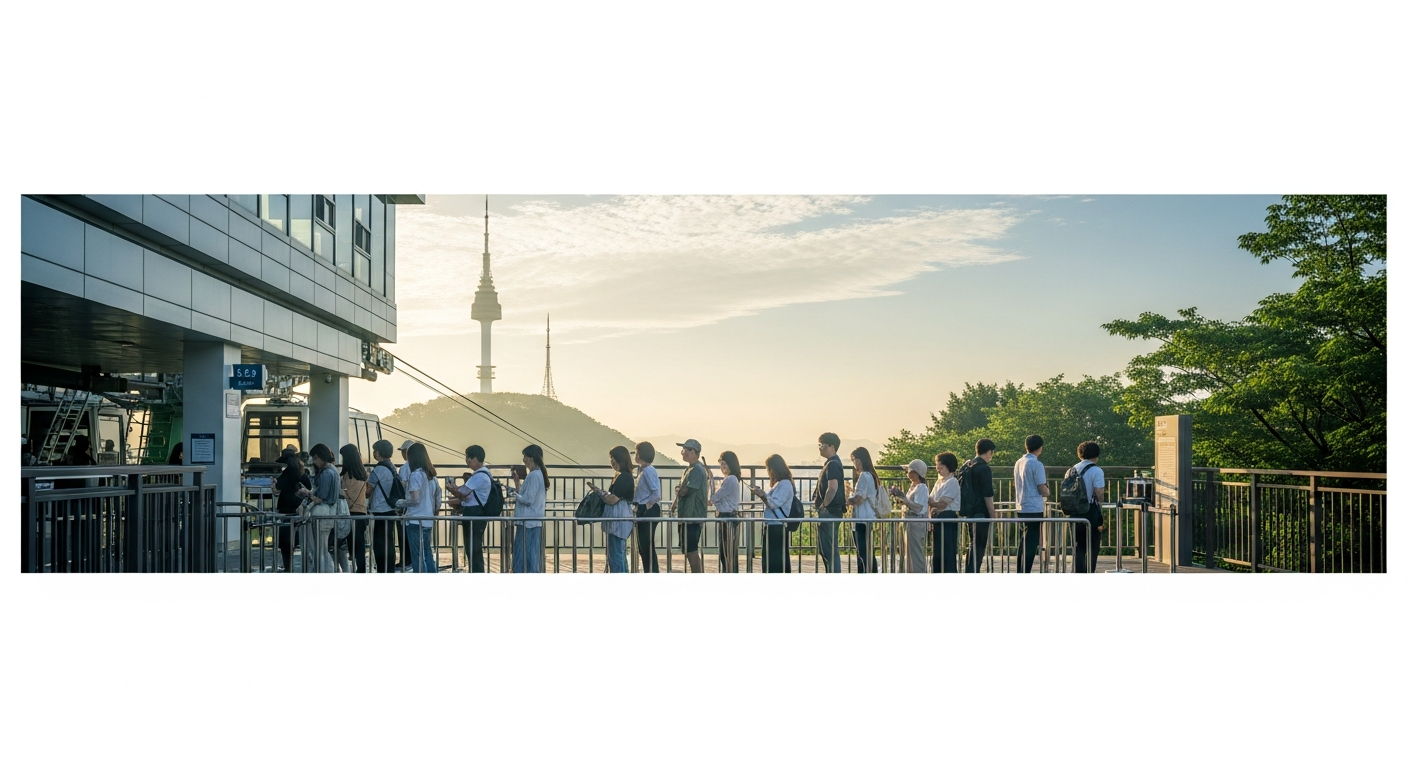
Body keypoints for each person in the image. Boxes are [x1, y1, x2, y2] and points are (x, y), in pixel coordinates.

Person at [395, 442, 440, 573]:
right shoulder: (432, 476)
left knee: (417, 556)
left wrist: (400, 503)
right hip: (428, 520)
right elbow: (438, 498)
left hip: (415, 520)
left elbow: (415, 500)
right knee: (427, 554)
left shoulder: (415, 475)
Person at [446, 445, 492, 573]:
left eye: (469, 458)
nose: (467, 461)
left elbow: (463, 493)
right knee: (473, 547)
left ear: (476, 459)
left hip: (474, 516)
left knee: (473, 548)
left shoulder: (479, 476)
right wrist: (455, 491)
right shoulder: (482, 474)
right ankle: (476, 571)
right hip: (476, 514)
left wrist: (452, 489)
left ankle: (477, 573)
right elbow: (466, 493)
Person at [295, 443, 340, 573]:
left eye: (315, 458)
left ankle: (323, 572)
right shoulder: (333, 470)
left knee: (318, 548)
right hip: (329, 512)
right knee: (322, 547)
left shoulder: (326, 473)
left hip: (322, 512)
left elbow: (321, 496)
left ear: (320, 457)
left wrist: (307, 493)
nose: (314, 461)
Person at [746, 454, 794, 573]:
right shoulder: (780, 484)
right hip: (772, 525)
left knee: (775, 561)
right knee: (770, 560)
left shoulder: (785, 484)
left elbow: (774, 503)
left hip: (777, 526)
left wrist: (762, 494)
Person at [591, 446, 636, 573]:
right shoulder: (621, 475)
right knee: (618, 555)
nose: (612, 461)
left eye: (613, 458)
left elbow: (613, 499)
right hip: (618, 520)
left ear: (620, 459)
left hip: (618, 520)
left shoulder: (624, 477)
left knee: (616, 557)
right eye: (611, 458)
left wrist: (600, 493)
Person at [959, 439, 997, 573]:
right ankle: (973, 572)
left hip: (969, 510)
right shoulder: (984, 468)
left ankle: (969, 570)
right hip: (981, 511)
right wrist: (992, 512)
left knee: (972, 543)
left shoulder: (968, 466)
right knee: (979, 544)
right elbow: (987, 493)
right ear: (990, 451)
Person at [1069, 441, 1107, 573]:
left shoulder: (1071, 469)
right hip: (1089, 511)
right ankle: (1089, 573)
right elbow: (1099, 492)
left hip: (1073, 511)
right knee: (1092, 545)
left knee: (1079, 546)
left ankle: (1079, 573)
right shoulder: (1096, 470)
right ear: (1096, 455)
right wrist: (1100, 505)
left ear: (1080, 454)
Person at [510, 444, 548, 573]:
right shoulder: (537, 474)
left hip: (528, 522)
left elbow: (528, 499)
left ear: (531, 458)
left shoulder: (533, 475)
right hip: (531, 521)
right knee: (531, 555)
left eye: (525, 456)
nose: (524, 459)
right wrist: (517, 484)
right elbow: (527, 496)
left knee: (524, 556)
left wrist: (513, 494)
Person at [1014, 434, 1049, 573]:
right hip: (1034, 506)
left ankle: (1020, 569)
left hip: (1021, 505)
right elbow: (1041, 487)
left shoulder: (1019, 462)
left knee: (1023, 541)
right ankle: (1026, 571)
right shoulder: (1037, 464)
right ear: (1040, 448)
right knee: (1032, 542)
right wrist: (1047, 492)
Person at [844, 446, 882, 573]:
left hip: (863, 519)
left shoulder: (864, 476)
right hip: (868, 517)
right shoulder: (871, 475)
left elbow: (859, 499)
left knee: (863, 553)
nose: (853, 463)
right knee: (867, 551)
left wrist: (848, 500)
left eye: (853, 460)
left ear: (859, 460)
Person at [366, 439, 401, 573]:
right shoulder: (391, 467)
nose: (374, 453)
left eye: (375, 450)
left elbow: (369, 490)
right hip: (391, 508)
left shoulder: (379, 469)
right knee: (389, 541)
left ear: (379, 453)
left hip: (380, 509)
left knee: (379, 543)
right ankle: (389, 568)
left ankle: (382, 568)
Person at [674, 439, 708, 573]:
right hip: (686, 516)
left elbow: (684, 491)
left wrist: (679, 490)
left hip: (693, 516)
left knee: (691, 550)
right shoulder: (689, 469)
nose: (682, 453)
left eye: (684, 450)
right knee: (688, 550)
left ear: (693, 451)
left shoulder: (697, 470)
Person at [813, 433, 846, 573]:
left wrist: (824, 506)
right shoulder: (832, 463)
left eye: (822, 445)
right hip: (832, 512)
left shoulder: (832, 465)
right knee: (829, 550)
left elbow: (832, 488)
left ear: (831, 446)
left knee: (829, 551)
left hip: (830, 513)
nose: (819, 448)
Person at [890, 459, 930, 573]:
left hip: (916, 522)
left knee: (915, 554)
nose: (908, 473)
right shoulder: (913, 486)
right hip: (909, 522)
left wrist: (903, 498)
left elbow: (919, 508)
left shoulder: (921, 487)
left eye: (911, 471)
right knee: (909, 554)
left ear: (918, 473)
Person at [273, 448, 309, 572]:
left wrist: (273, 483)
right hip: (300, 508)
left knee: (285, 541)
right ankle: (306, 567)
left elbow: (277, 489)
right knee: (303, 540)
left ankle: (288, 567)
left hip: (286, 509)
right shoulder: (302, 473)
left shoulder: (287, 473)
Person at [709, 450, 743, 573]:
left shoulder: (730, 480)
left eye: (725, 463)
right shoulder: (731, 479)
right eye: (721, 463)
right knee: (728, 553)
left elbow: (713, 498)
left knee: (726, 554)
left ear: (731, 464)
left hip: (727, 518)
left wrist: (711, 483)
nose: (723, 466)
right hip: (729, 517)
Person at [927, 452, 961, 573]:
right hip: (937, 517)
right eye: (937, 467)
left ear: (949, 466)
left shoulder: (952, 482)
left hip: (947, 516)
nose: (938, 469)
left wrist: (933, 503)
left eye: (941, 467)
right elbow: (931, 500)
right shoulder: (939, 482)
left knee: (947, 551)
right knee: (937, 551)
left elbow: (942, 503)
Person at [339, 443, 370, 573]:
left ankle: (351, 569)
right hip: (362, 511)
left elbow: (345, 495)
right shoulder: (364, 474)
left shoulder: (346, 476)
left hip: (349, 513)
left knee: (347, 544)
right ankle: (361, 569)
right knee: (360, 545)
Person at [632, 442, 662, 573]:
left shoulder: (649, 470)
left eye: (636, 452)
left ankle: (651, 572)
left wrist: (646, 506)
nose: (635, 455)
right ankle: (649, 571)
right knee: (644, 546)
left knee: (646, 546)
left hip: (648, 510)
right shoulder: (642, 470)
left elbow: (656, 493)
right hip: (644, 509)